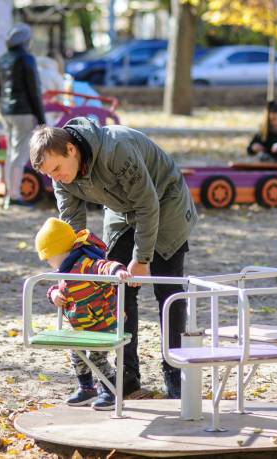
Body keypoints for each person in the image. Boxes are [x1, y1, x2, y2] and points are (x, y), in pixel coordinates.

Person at [29, 119, 199, 399]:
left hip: (165, 201)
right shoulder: (61, 178)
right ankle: (127, 376)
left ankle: (175, 375)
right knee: (117, 286)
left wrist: (142, 258)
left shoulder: (116, 150)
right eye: (49, 175)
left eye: (57, 168)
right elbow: (73, 229)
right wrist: (70, 275)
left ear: (71, 149)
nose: (56, 178)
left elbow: (148, 204)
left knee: (167, 291)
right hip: (121, 210)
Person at [34, 218, 131, 410]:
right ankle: (86, 388)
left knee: (97, 358)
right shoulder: (66, 269)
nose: (49, 263)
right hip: (83, 326)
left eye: (49, 257)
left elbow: (104, 266)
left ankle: (110, 391)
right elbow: (59, 287)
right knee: (77, 355)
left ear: (61, 251)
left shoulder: (86, 263)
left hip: (104, 323)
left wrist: (118, 270)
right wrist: (53, 294)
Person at [0, 23, 45, 208]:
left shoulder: (2, 59)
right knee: (20, 155)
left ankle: (9, 192)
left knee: (10, 153)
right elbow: (34, 91)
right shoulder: (27, 59)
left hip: (6, 112)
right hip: (24, 112)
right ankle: (14, 196)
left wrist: (6, 103)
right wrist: (41, 118)